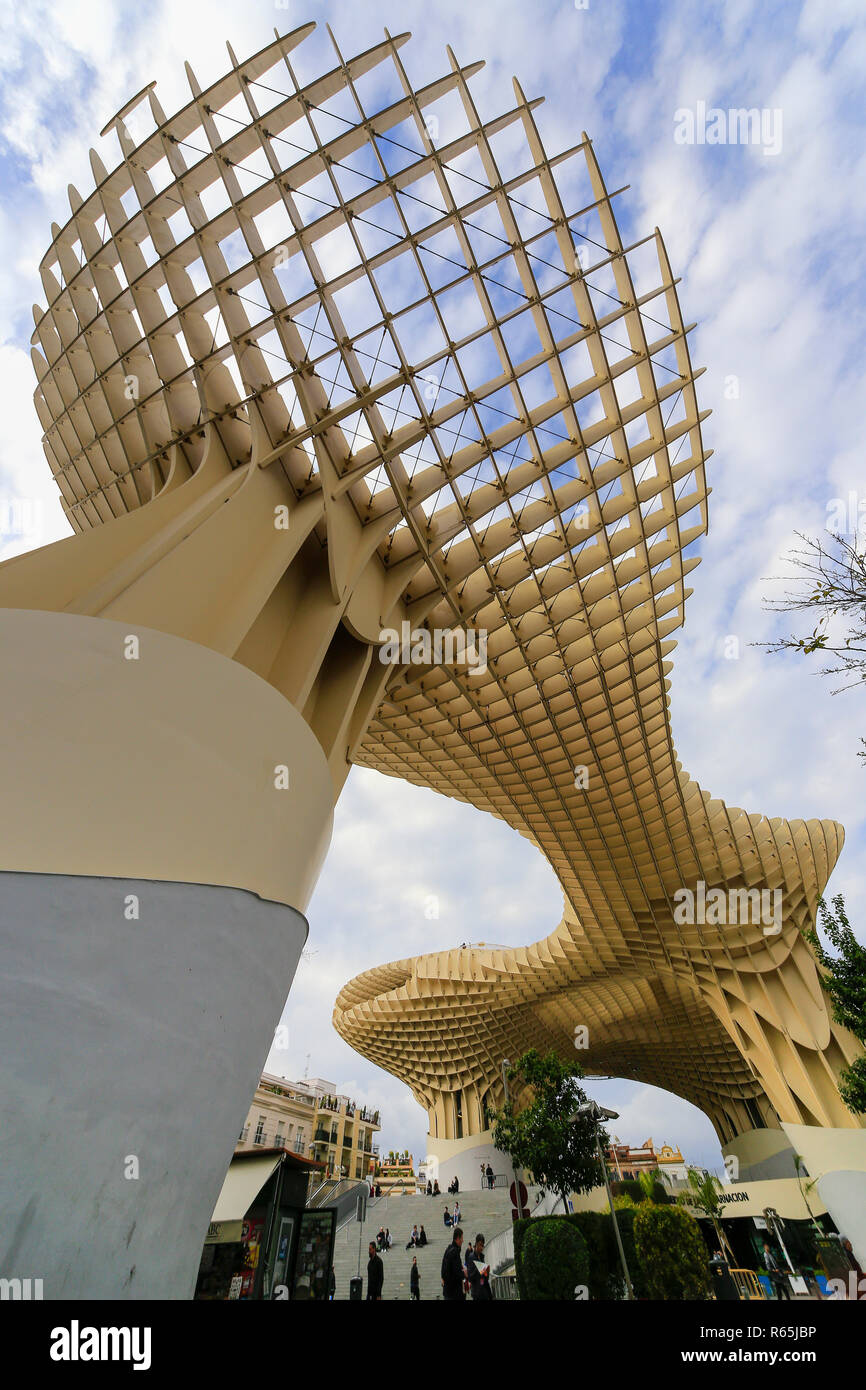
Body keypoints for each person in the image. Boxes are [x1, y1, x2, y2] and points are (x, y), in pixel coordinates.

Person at [465, 1233, 493, 1301]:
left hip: (484, 1290)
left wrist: (486, 1272)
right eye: (480, 1245)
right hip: (477, 1293)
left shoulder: (481, 1256)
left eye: (483, 1246)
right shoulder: (471, 1257)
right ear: (476, 1244)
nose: (481, 1248)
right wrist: (479, 1269)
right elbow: (470, 1277)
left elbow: (484, 1277)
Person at [441, 1226, 466, 1300]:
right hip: (454, 1293)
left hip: (448, 1292)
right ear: (458, 1238)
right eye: (462, 1238)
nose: (463, 1240)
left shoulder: (448, 1249)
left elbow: (443, 1269)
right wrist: (464, 1274)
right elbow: (457, 1273)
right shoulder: (454, 1252)